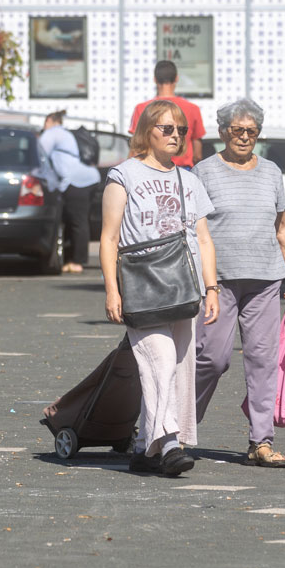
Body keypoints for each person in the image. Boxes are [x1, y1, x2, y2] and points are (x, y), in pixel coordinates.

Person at [100, 99, 219, 477]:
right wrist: (111, 290)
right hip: (141, 285)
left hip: (184, 286)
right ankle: (169, 444)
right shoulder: (124, 175)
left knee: (178, 369)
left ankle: (143, 449)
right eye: (167, 128)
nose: (176, 135)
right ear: (146, 131)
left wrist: (212, 288)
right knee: (161, 360)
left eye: (181, 130)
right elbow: (109, 238)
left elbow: (203, 239)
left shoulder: (190, 179)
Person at [192, 99, 285, 468]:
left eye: (251, 131)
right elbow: (193, 230)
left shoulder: (271, 172)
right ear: (222, 132)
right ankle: (176, 425)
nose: (243, 137)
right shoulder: (204, 172)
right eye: (237, 130)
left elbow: (282, 226)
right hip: (218, 281)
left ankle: (261, 441)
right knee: (212, 358)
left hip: (266, 279)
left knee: (263, 360)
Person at [38, 109, 101, 273]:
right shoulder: (65, 134)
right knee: (75, 220)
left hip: (77, 181)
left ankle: (77, 262)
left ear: (49, 121)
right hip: (87, 178)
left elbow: (39, 155)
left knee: (77, 221)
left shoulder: (52, 133)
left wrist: (57, 187)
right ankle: (71, 259)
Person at [127, 61, 206, 168]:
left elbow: (136, 148)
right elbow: (197, 155)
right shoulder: (193, 109)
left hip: (150, 169)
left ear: (155, 79)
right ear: (176, 78)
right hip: (183, 170)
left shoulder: (142, 108)